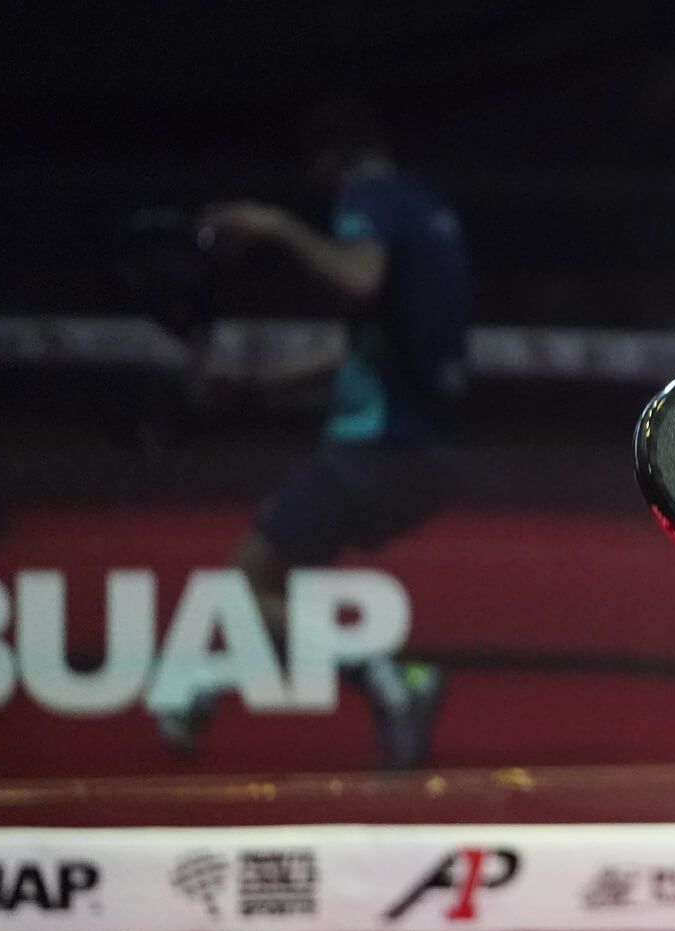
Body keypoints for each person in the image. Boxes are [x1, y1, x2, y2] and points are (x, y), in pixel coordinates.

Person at [151, 99, 466, 769]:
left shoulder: (369, 199)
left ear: (329, 162)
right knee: (277, 594)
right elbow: (366, 343)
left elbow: (358, 279)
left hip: (376, 448)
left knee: (245, 587)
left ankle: (393, 678)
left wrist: (278, 227)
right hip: (426, 451)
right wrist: (263, 388)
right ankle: (203, 693)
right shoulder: (428, 211)